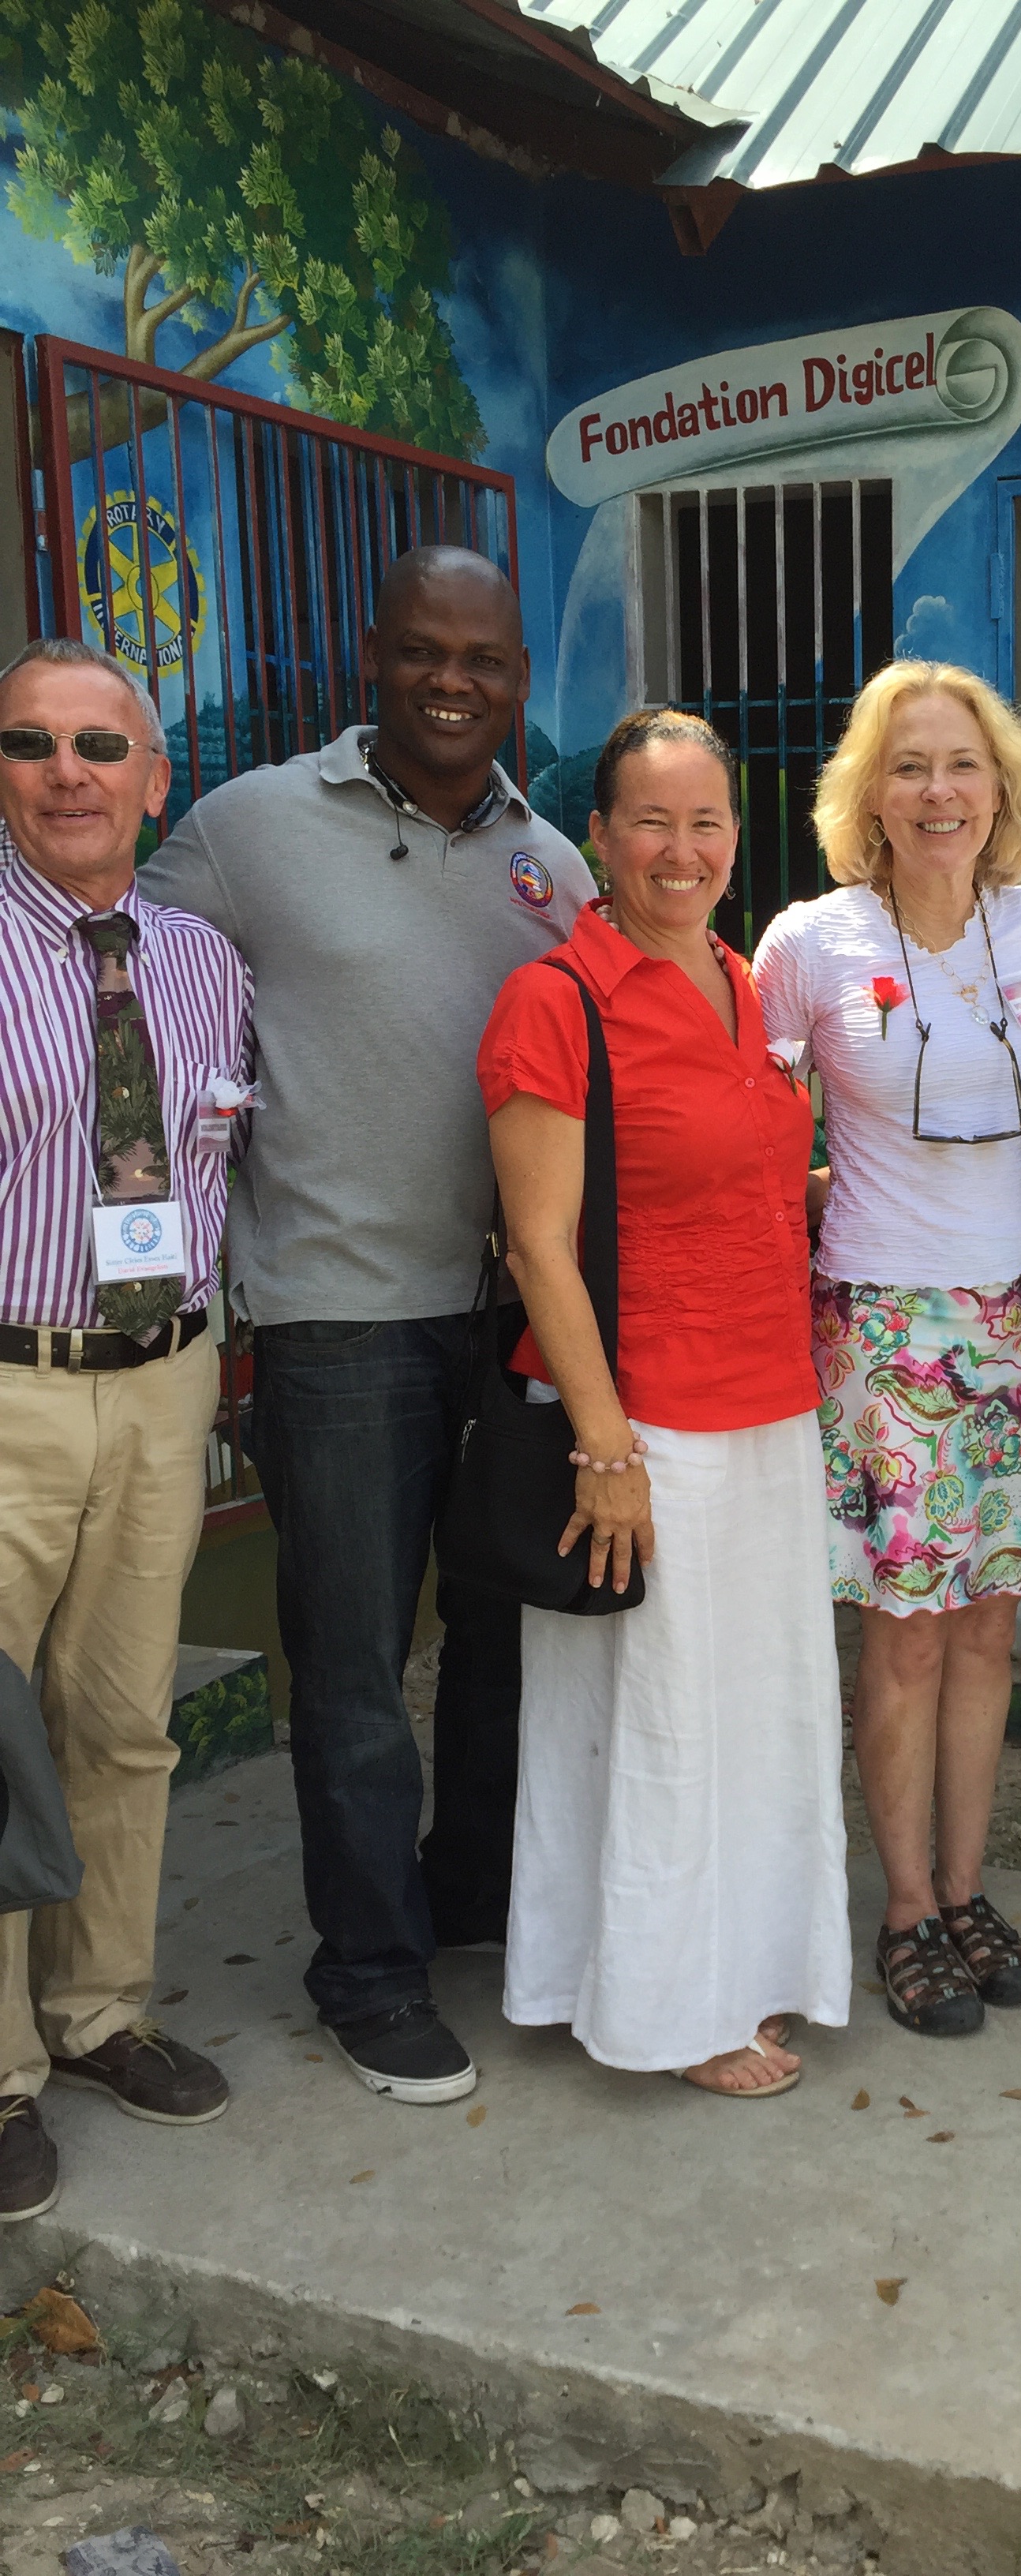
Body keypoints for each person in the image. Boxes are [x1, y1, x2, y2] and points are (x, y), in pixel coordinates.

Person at [140, 547, 593, 2105]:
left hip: (514, 1320)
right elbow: (115, 982)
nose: (452, 681)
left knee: (503, 1642)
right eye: (422, 651)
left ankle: (465, 1899)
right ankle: (370, 1971)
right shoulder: (247, 830)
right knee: (350, 1664)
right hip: (338, 1321)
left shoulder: (552, 864)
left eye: (483, 657)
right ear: (374, 656)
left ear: (517, 676)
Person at [479, 710, 848, 2096]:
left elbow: (741, 1179)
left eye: (706, 822)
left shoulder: (745, 985)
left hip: (771, 1405)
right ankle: (666, 2007)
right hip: (650, 1421)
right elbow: (539, 1245)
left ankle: (741, 1966)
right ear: (599, 836)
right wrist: (606, 1446)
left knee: (757, 1715)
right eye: (651, 821)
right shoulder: (557, 999)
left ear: (736, 837)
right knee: (661, 1727)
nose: (681, 850)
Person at [754, 662, 1021, 2038]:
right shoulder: (810, 943)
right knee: (904, 1640)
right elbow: (758, 1133)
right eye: (909, 767)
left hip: (1017, 1314)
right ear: (868, 796)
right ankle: (902, 1909)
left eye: (961, 764)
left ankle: (965, 1888)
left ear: (1000, 785)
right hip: (885, 1321)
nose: (938, 791)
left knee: (991, 1626)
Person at [0, 637, 251, 2219]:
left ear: (155, 783)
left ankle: (97, 2013)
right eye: (31, 744)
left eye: (101, 746)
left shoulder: (205, 962)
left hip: (163, 1384)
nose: (67, 773)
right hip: (7, 1390)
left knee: (120, 1723)